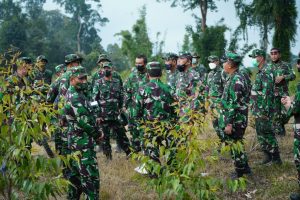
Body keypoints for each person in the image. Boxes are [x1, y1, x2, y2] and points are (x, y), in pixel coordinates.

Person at [64, 66, 101, 200]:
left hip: (76, 142)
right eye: (81, 78)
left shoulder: (77, 93)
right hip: (82, 143)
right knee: (91, 180)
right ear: (72, 79)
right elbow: (84, 122)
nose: (84, 81)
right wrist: (98, 134)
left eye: (85, 78)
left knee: (76, 179)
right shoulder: (75, 97)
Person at [134, 61, 176, 166]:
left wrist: (141, 125)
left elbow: (136, 112)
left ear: (147, 74)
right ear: (161, 73)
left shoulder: (142, 89)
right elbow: (175, 109)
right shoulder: (169, 89)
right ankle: (173, 172)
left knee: (151, 152)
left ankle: (154, 174)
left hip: (150, 126)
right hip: (168, 126)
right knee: (172, 149)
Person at [219, 51, 252, 178]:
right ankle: (245, 168)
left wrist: (228, 123)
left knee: (235, 145)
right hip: (235, 119)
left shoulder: (237, 79)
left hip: (236, 120)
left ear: (230, 64)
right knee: (237, 144)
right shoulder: (233, 76)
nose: (223, 64)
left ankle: (240, 172)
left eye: (225, 61)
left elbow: (234, 104)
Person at [92, 62, 131, 160]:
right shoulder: (98, 83)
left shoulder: (117, 82)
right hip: (103, 116)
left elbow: (122, 96)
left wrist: (122, 107)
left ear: (112, 69)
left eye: (108, 68)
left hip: (115, 115)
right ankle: (108, 157)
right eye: (104, 68)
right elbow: (94, 101)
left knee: (122, 135)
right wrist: (97, 115)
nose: (106, 70)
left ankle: (129, 154)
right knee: (105, 138)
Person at [249, 49, 281, 165]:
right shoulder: (260, 71)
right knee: (261, 133)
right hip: (258, 109)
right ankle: (267, 156)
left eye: (255, 57)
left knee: (267, 133)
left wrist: (264, 111)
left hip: (263, 110)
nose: (254, 60)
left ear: (261, 57)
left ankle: (276, 159)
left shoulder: (267, 71)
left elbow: (267, 93)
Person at [124, 54, 149, 152]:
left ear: (145, 64)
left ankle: (147, 153)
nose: (138, 65)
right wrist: (125, 106)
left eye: (140, 63)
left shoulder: (149, 75)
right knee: (134, 132)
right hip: (133, 109)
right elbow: (127, 92)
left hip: (146, 109)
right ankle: (136, 152)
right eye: (136, 63)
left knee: (145, 132)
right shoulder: (132, 76)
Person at [270, 47, 296, 136]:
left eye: (275, 53)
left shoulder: (286, 65)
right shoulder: (268, 67)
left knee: (287, 113)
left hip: (284, 94)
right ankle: (279, 135)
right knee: (275, 116)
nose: (273, 55)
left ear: (279, 54)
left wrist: (283, 77)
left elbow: (293, 75)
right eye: (272, 53)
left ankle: (280, 126)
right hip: (273, 94)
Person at [206, 55, 225, 141]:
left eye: (213, 61)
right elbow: (207, 87)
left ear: (217, 62)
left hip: (219, 101)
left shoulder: (223, 72)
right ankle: (221, 139)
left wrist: (223, 101)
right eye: (209, 62)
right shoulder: (210, 74)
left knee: (222, 123)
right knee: (214, 123)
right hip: (211, 101)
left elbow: (226, 87)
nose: (211, 63)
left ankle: (226, 141)